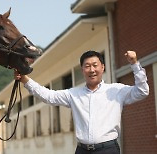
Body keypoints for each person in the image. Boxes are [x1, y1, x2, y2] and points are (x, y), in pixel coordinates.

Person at [14, 50, 149, 154]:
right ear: (82, 69)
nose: (92, 70)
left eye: (95, 65)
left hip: (108, 150)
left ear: (102, 67)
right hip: (82, 150)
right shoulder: (74, 94)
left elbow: (142, 91)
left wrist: (134, 63)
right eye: (87, 66)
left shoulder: (116, 90)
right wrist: (25, 80)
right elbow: (49, 96)